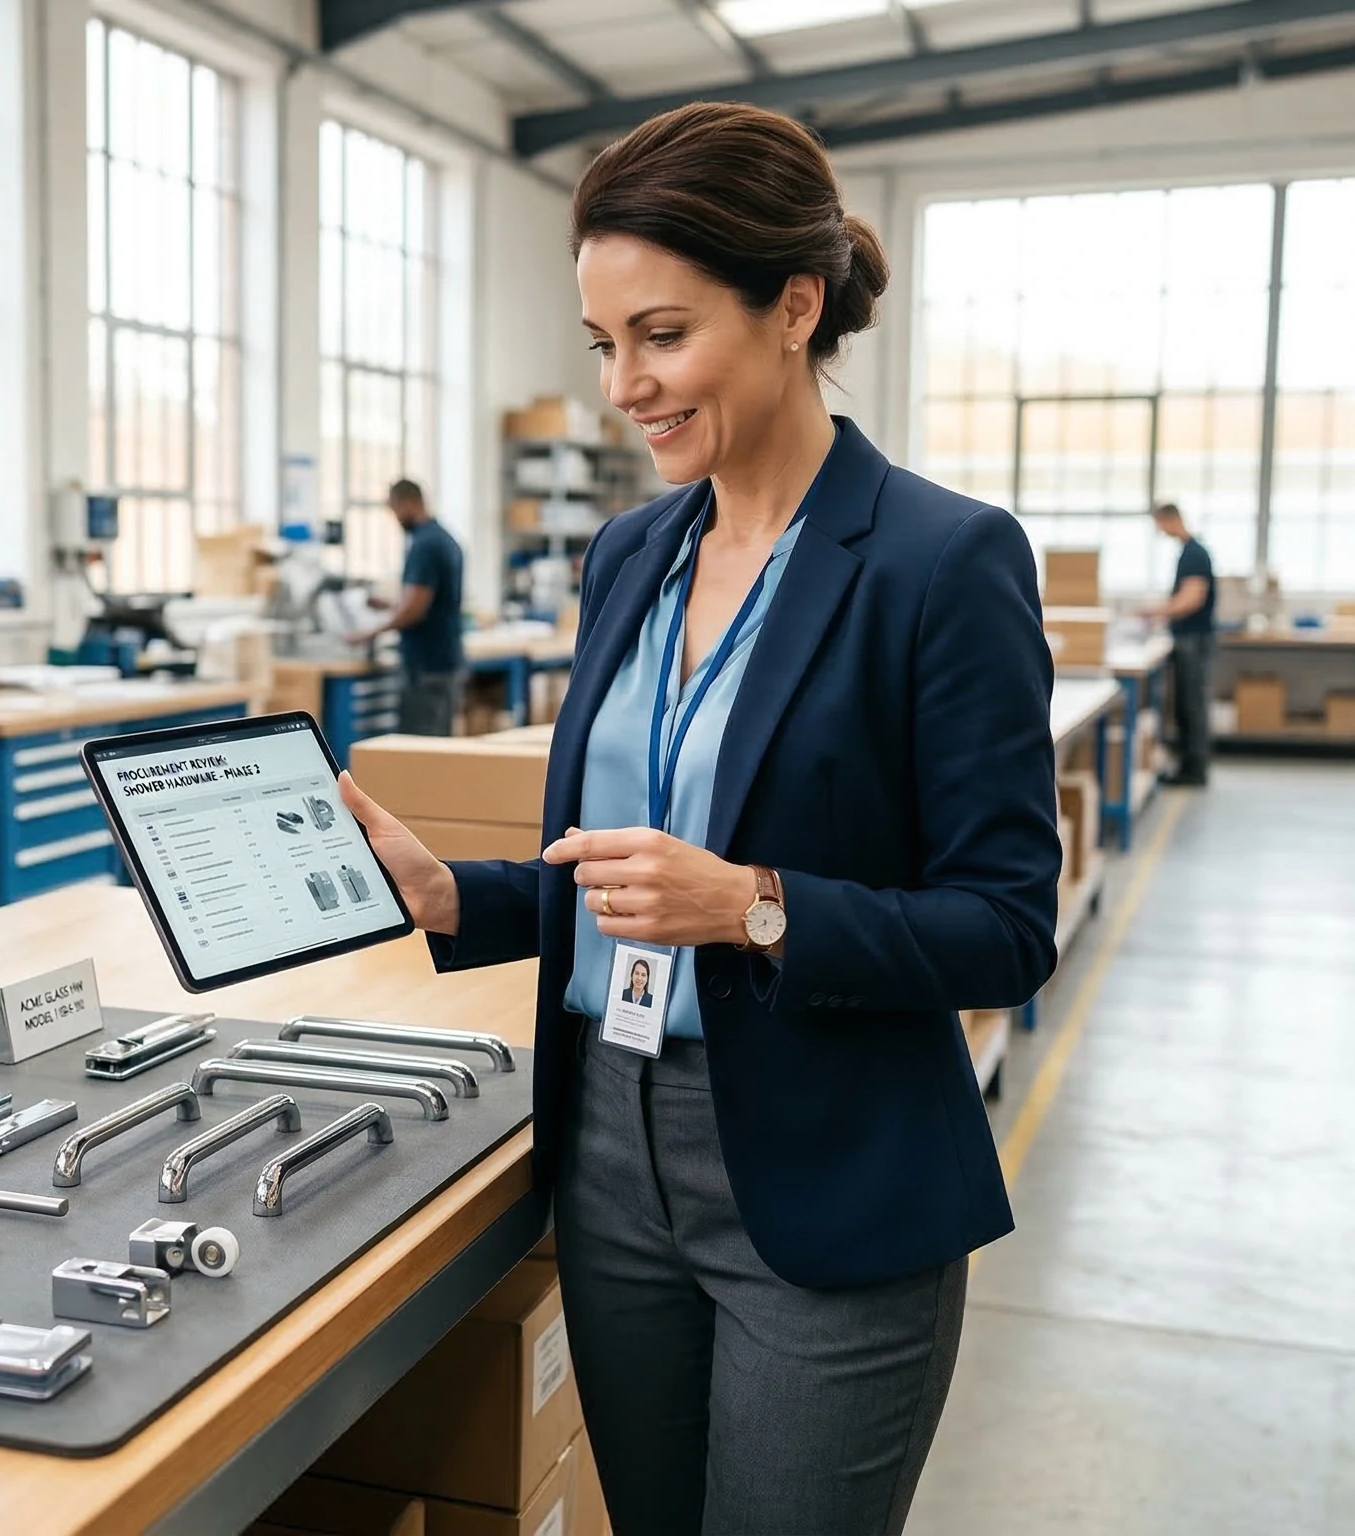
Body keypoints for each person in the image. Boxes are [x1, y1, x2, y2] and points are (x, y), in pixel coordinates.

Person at [336, 102, 1058, 1535]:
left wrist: (756, 905)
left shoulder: (940, 562)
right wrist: (456, 897)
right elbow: (628, 874)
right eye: (605, 345)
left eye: (661, 336)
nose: (624, 386)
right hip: (608, 1144)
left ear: (795, 307)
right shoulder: (633, 554)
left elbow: (1008, 927)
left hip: (823, 1166)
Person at [346, 479, 466, 735]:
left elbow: (415, 610)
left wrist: (369, 633)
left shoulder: (424, 545)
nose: (395, 518)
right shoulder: (445, 538)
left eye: (394, 509)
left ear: (408, 503)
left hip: (426, 667)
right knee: (436, 746)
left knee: (418, 751)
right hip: (445, 660)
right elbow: (431, 601)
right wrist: (390, 605)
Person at [1140, 501, 1216, 786]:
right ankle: (1189, 765)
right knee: (1186, 704)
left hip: (1193, 640)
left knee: (1192, 704)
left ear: (1171, 519)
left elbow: (1192, 598)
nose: (1160, 531)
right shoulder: (1189, 552)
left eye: (1160, 524)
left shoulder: (1194, 554)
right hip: (1188, 638)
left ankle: (1194, 770)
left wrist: (1157, 610)